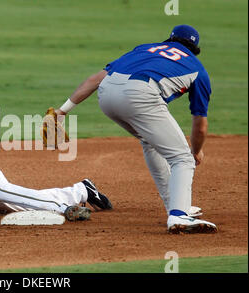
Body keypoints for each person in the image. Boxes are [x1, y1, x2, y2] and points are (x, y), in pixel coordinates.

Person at [51, 25, 217, 234]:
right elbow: (200, 124)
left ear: (169, 40)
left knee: (150, 141)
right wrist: (196, 150)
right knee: (182, 158)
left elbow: (95, 80)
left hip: (107, 95)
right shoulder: (197, 68)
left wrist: (62, 111)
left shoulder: (144, 49)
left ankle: (176, 205)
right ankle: (178, 216)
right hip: (140, 96)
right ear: (194, 48)